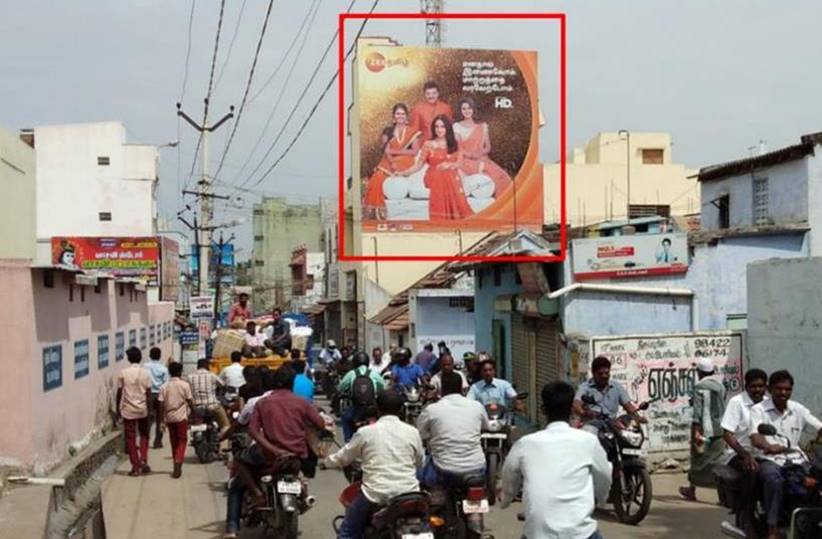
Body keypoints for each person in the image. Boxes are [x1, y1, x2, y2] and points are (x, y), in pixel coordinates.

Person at [501, 381, 611, 539]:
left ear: (543, 410)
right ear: (572, 409)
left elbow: (509, 476)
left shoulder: (525, 444)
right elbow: (604, 476)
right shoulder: (588, 441)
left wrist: (506, 500)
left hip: (537, 534)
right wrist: (602, 499)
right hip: (581, 534)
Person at [226, 366, 325, 539]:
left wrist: (272, 449)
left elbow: (253, 431)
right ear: (292, 383)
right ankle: (303, 493)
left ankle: (236, 522)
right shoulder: (303, 403)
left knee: (239, 465)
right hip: (296, 457)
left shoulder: (263, 403)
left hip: (268, 456)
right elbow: (320, 424)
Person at [324, 390, 425, 539]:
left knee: (347, 532)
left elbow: (343, 457)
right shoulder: (412, 432)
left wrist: (326, 462)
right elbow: (420, 462)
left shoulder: (365, 432)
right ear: (401, 409)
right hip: (409, 493)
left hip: (375, 494)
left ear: (377, 409)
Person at [749, 370, 822, 539]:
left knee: (817, 476)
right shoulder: (758, 410)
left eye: (787, 389)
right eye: (779, 389)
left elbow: (818, 426)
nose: (783, 393)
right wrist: (768, 446)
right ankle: (772, 527)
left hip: (796, 459)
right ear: (770, 389)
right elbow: (755, 436)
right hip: (769, 459)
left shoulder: (797, 409)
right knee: (773, 479)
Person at [719, 368, 769, 537]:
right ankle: (747, 515)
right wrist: (745, 455)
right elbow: (727, 434)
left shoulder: (769, 403)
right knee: (752, 470)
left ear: (766, 387)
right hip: (739, 454)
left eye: (761, 386)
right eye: (753, 386)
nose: (757, 390)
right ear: (746, 386)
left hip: (765, 453)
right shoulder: (737, 402)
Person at [417, 372, 487, 488]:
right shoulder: (477, 406)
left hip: (443, 469)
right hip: (477, 467)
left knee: (418, 470)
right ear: (461, 388)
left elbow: (421, 433)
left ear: (442, 389)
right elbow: (485, 427)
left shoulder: (432, 410)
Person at [399, 115, 473, 221]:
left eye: (442, 126)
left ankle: (449, 218)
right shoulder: (428, 144)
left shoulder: (455, 142)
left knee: (447, 172)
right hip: (433, 176)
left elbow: (459, 162)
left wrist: (449, 165)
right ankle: (444, 219)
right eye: (436, 127)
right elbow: (418, 165)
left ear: (447, 128)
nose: (439, 129)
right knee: (443, 173)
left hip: (450, 176)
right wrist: (403, 173)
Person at [363, 103, 422, 220]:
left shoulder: (412, 131)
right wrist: (392, 162)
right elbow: (386, 150)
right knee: (377, 176)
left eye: (403, 114)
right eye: (398, 114)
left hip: (406, 160)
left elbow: (415, 151)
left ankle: (377, 209)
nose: (400, 116)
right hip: (389, 160)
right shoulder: (388, 131)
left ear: (406, 116)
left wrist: (396, 151)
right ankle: (374, 209)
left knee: (381, 173)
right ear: (394, 116)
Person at [679, 357, 727, 501]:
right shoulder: (720, 386)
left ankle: (692, 489)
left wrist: (696, 431)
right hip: (720, 429)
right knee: (718, 461)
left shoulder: (700, 386)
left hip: (704, 429)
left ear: (699, 372)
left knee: (697, 459)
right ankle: (722, 495)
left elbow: (698, 412)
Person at [455, 96, 512, 198]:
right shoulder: (456, 126)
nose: (467, 111)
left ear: (473, 109)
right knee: (487, 172)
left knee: (502, 175)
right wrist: (471, 155)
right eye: (464, 109)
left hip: (481, 158)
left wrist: (478, 154)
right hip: (465, 159)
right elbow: (458, 148)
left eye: (469, 108)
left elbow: (488, 147)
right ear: (460, 111)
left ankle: (504, 201)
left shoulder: (482, 126)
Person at [573, 355, 643, 435]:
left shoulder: (616, 387)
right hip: (592, 427)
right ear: (593, 373)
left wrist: (637, 417)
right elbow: (576, 404)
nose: (604, 376)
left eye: (607, 373)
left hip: (612, 428)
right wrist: (585, 413)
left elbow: (628, 406)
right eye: (600, 374)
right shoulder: (585, 387)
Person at [117, 346, 153, 476]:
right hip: (142, 409)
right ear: (140, 358)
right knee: (144, 435)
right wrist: (150, 410)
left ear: (128, 359)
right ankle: (143, 459)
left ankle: (135, 467)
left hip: (128, 409)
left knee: (130, 439)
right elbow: (148, 393)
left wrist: (117, 409)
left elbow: (119, 392)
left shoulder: (123, 373)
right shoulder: (146, 373)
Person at [337, 352, 385, 442]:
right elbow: (382, 386)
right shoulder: (373, 373)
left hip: (356, 407)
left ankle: (348, 440)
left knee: (345, 418)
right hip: (371, 407)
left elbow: (341, 387)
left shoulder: (351, 373)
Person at [158, 362, 193, 478]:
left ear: (169, 372)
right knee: (182, 440)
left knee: (174, 442)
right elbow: (190, 401)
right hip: (181, 418)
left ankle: (175, 463)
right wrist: (194, 413)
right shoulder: (184, 385)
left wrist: (161, 421)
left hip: (169, 418)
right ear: (180, 372)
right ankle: (178, 460)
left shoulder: (164, 386)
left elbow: (161, 404)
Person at [186, 359, 230, 437]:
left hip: (196, 407)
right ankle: (220, 438)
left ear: (198, 366)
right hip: (212, 406)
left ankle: (196, 433)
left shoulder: (190, 377)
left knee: (190, 421)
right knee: (225, 425)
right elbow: (222, 384)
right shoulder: (212, 375)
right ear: (207, 366)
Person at [143, 346, 169, 449]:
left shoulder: (145, 367)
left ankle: (145, 440)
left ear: (150, 355)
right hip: (160, 395)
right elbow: (166, 384)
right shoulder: (163, 369)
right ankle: (158, 441)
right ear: (160, 356)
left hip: (148, 394)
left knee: (148, 418)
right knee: (160, 419)